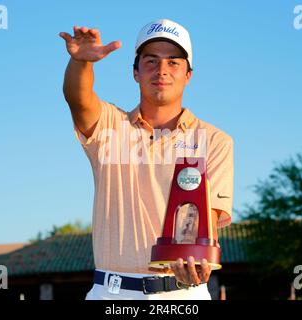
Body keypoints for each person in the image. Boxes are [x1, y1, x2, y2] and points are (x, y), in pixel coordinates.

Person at [59, 18, 234, 300]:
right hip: (110, 293)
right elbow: (78, 99)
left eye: (173, 62)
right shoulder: (109, 126)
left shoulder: (215, 140)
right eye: (151, 61)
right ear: (135, 72)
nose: (162, 70)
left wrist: (196, 261)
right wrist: (81, 63)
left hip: (181, 293)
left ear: (188, 74)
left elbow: (206, 220)